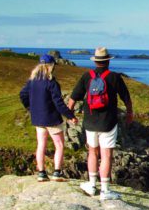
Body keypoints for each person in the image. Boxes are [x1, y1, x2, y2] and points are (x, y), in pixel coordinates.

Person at [67, 47, 133, 200]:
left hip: (90, 122)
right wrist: (129, 113)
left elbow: (73, 98)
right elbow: (126, 98)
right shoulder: (114, 77)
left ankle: (91, 185)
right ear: (108, 61)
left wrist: (70, 114)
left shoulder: (86, 76)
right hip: (108, 122)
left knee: (92, 152)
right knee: (106, 155)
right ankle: (105, 190)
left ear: (96, 61)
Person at [20, 54, 77, 182]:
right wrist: (70, 116)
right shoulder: (51, 83)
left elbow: (22, 94)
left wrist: (29, 107)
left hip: (38, 118)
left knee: (41, 145)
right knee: (60, 145)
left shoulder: (32, 81)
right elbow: (58, 103)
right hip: (51, 118)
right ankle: (57, 173)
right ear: (51, 66)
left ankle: (41, 173)